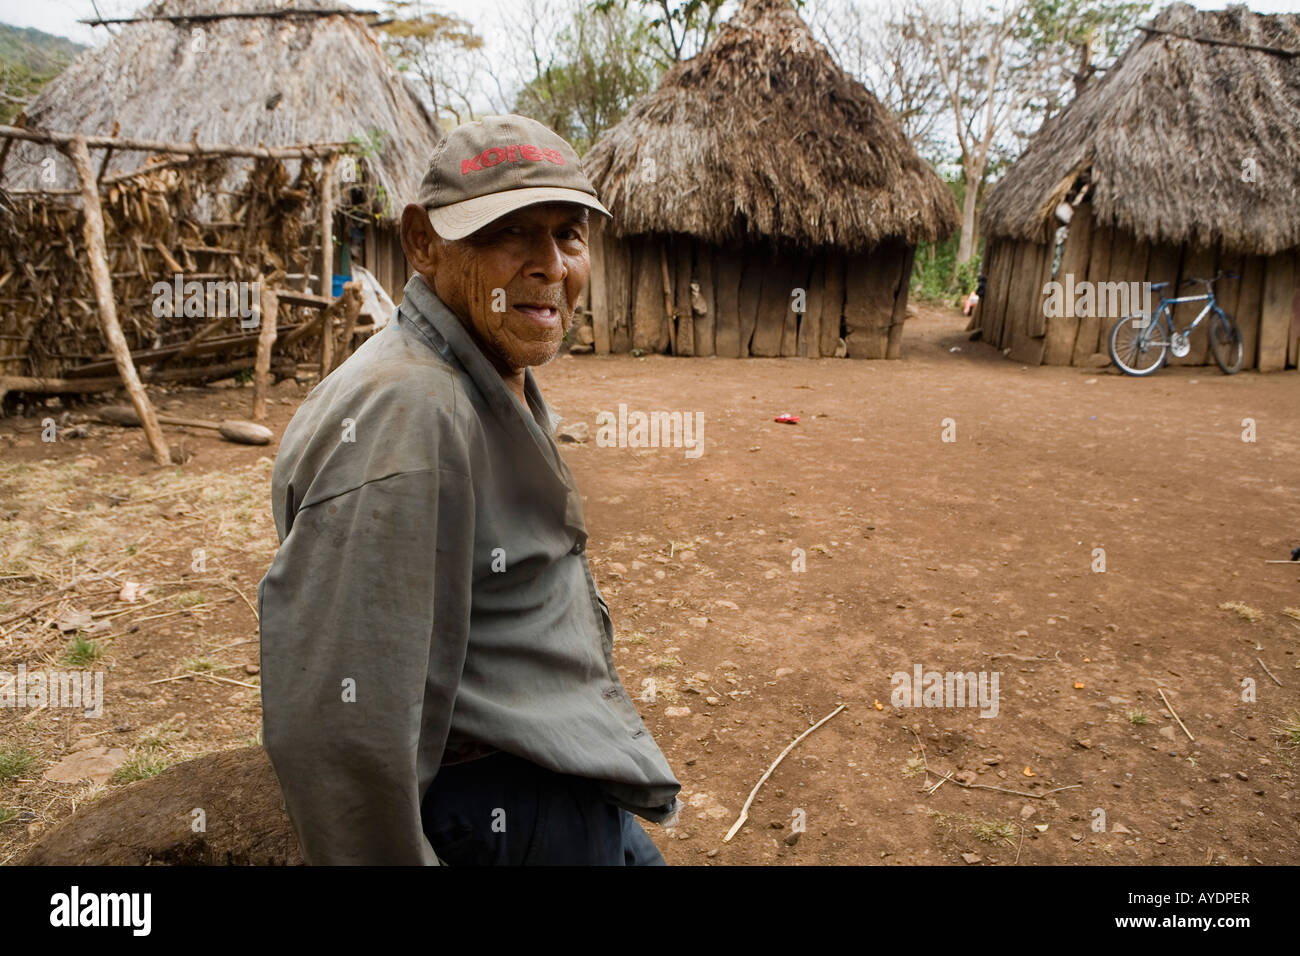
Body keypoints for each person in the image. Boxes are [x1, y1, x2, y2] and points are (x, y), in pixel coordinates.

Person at [257, 114, 682, 865]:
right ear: (423, 242)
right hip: (501, 812)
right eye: (510, 233)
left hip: (559, 781)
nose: (550, 265)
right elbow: (338, 722)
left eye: (569, 235)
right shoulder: (410, 413)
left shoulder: (479, 372)